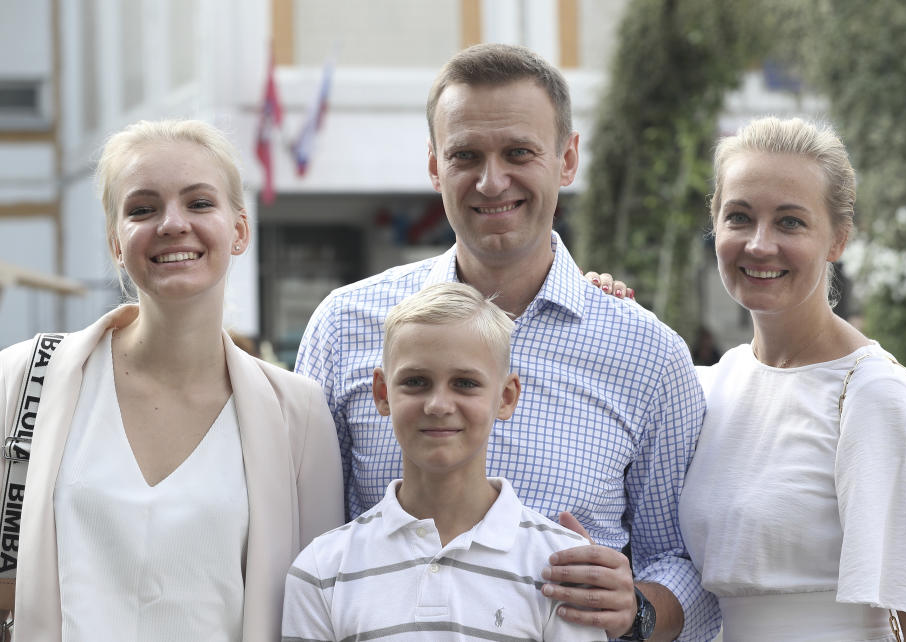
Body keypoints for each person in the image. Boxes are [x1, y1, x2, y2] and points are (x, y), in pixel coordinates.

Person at [296, 43, 718, 641]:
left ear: (567, 159)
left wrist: (638, 610)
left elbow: (691, 565)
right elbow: (307, 539)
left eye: (519, 152)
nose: (492, 181)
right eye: (466, 155)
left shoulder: (647, 354)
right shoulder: (346, 326)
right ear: (435, 166)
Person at [0, 119, 344, 641]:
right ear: (117, 243)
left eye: (200, 203)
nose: (172, 223)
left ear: (239, 230)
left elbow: (314, 610)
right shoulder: (25, 377)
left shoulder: (298, 411)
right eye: (143, 208)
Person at [676, 116, 906, 640]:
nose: (760, 245)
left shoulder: (874, 396)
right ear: (715, 224)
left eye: (790, 222)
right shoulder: (713, 384)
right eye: (739, 217)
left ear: (838, 241)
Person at [283, 282, 606, 641]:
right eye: (416, 381)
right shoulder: (323, 569)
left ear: (506, 396)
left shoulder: (561, 565)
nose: (438, 405)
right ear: (382, 392)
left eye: (465, 383)